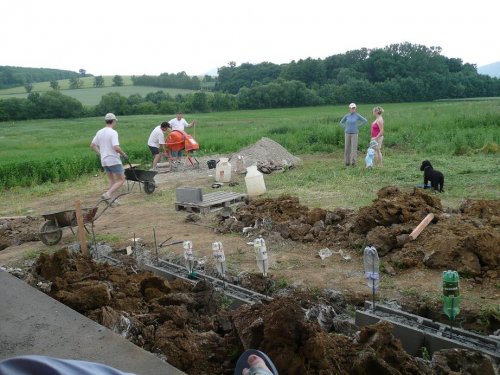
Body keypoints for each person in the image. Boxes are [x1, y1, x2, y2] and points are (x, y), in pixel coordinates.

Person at [90, 113, 128, 202]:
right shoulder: (113, 132)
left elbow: (92, 145)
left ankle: (111, 200)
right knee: (121, 179)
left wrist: (101, 154)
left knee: (112, 180)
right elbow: (116, 147)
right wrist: (123, 154)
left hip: (104, 161)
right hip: (113, 160)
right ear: (114, 121)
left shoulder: (99, 132)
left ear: (106, 121)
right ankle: (107, 194)